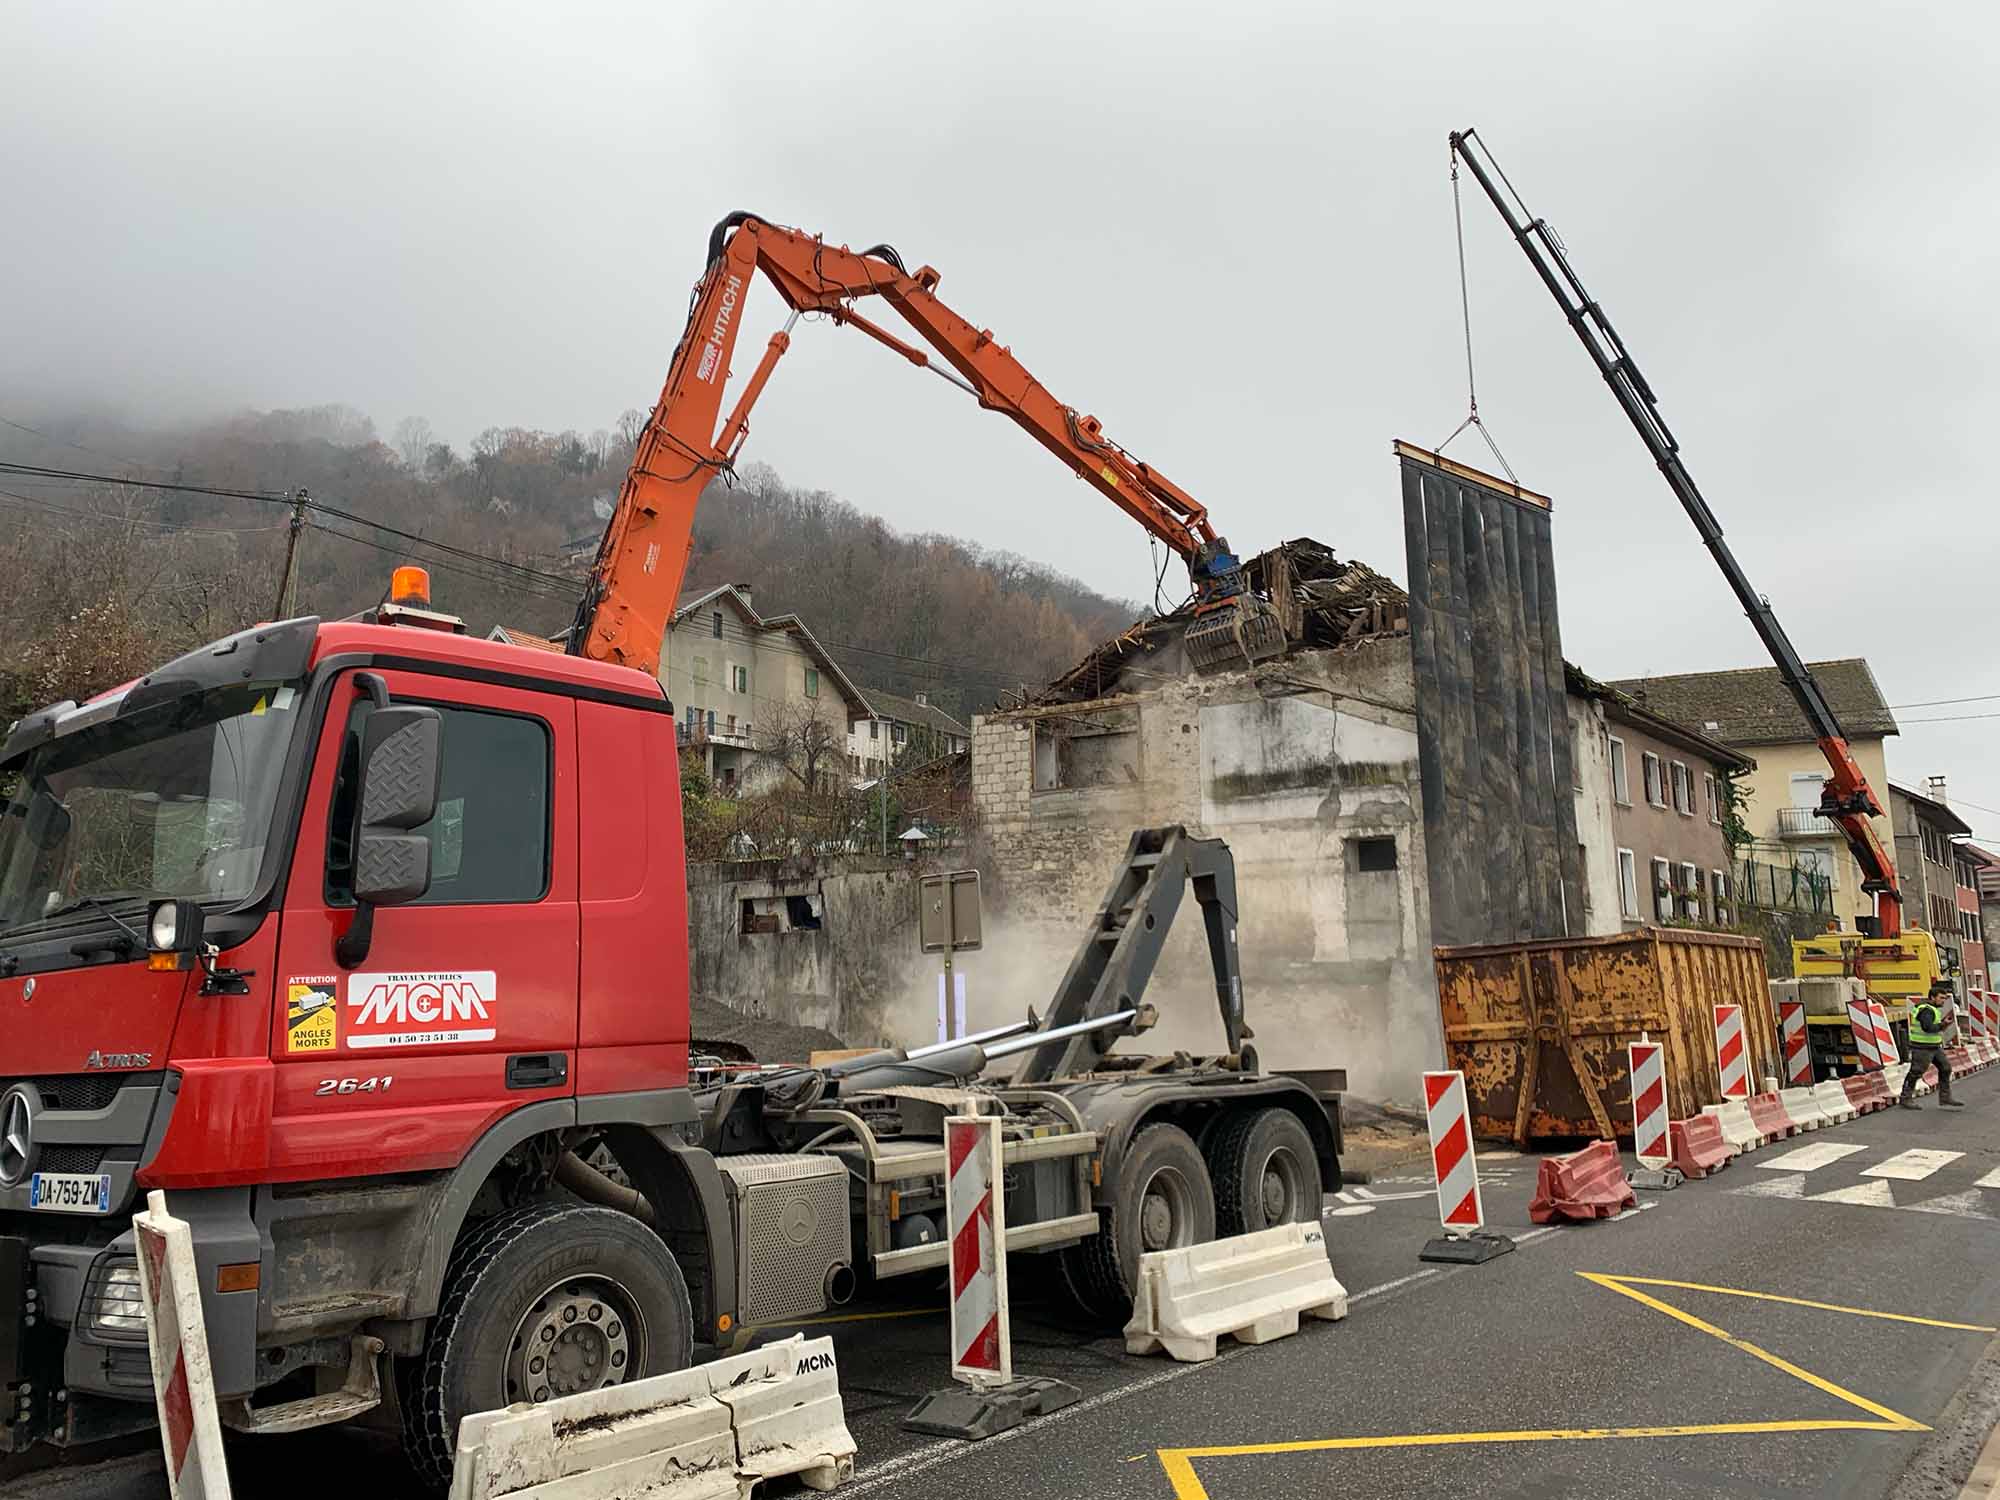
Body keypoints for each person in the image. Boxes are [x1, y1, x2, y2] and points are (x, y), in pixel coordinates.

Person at [1899, 983, 1964, 1109]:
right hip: (1922, 1047)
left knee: (1945, 1068)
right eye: (1941, 998)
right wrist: (1942, 1024)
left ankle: (1945, 1098)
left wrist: (1943, 1025)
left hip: (1933, 1046)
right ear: (1932, 997)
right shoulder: (1926, 1010)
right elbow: (1927, 1028)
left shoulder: (1932, 1009)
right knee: (1916, 1072)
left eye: (1945, 998)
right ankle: (1905, 1098)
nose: (1943, 1001)